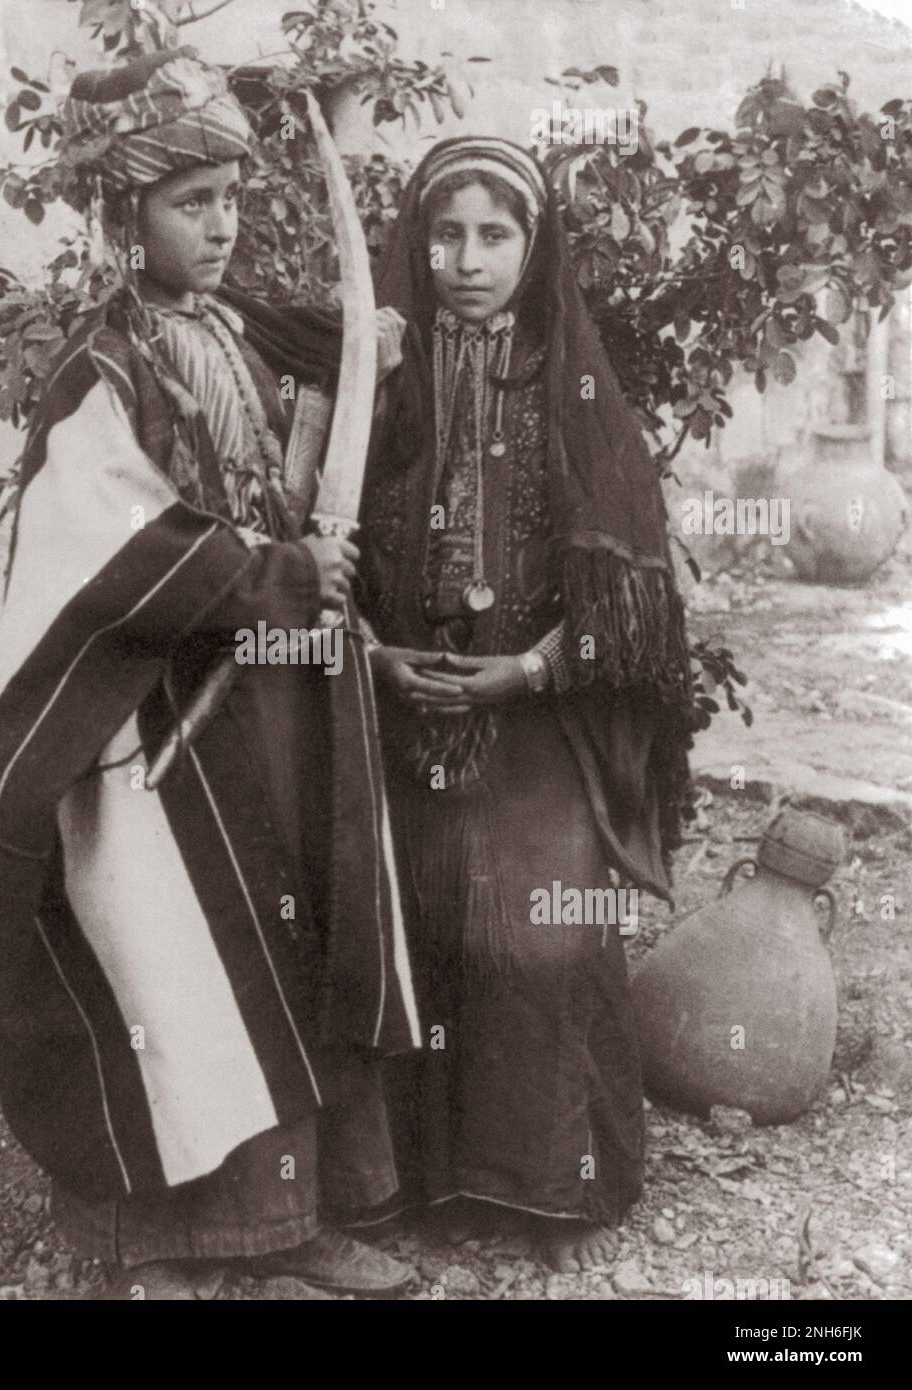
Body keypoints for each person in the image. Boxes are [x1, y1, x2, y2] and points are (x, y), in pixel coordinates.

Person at [0, 48, 419, 1300]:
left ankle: (290, 1227)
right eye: (190, 202)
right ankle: (157, 1245)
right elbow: (102, 532)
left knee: (291, 935)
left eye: (231, 195)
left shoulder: (228, 330)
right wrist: (265, 575)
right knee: (172, 963)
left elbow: (341, 378)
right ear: (125, 218)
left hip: (268, 704)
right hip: (156, 727)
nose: (221, 225)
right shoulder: (101, 367)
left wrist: (327, 459)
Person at [356, 137, 697, 1271]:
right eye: (444, 234)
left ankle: (551, 1186)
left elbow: (635, 592)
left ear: (533, 246)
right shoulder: (374, 382)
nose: (464, 259)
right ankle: (413, 1179)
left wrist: (531, 671)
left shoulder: (577, 385)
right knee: (412, 922)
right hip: (401, 702)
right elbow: (319, 546)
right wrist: (369, 655)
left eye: (493, 235)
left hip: (537, 703)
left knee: (538, 936)